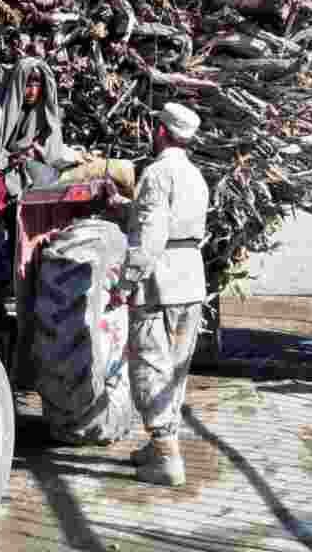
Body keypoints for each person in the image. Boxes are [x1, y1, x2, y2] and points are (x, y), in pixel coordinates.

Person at [108, 102, 210, 486]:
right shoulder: (195, 176)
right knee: (176, 370)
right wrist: (126, 206)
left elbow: (151, 238)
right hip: (191, 281)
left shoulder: (156, 173)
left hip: (160, 282)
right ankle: (159, 445)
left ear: (162, 131)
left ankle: (167, 457)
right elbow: (172, 219)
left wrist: (125, 284)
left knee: (150, 366)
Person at [0, 57, 77, 199]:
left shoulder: (46, 113)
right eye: (28, 84)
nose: (33, 92)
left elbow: (52, 152)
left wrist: (37, 151)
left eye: (37, 84)